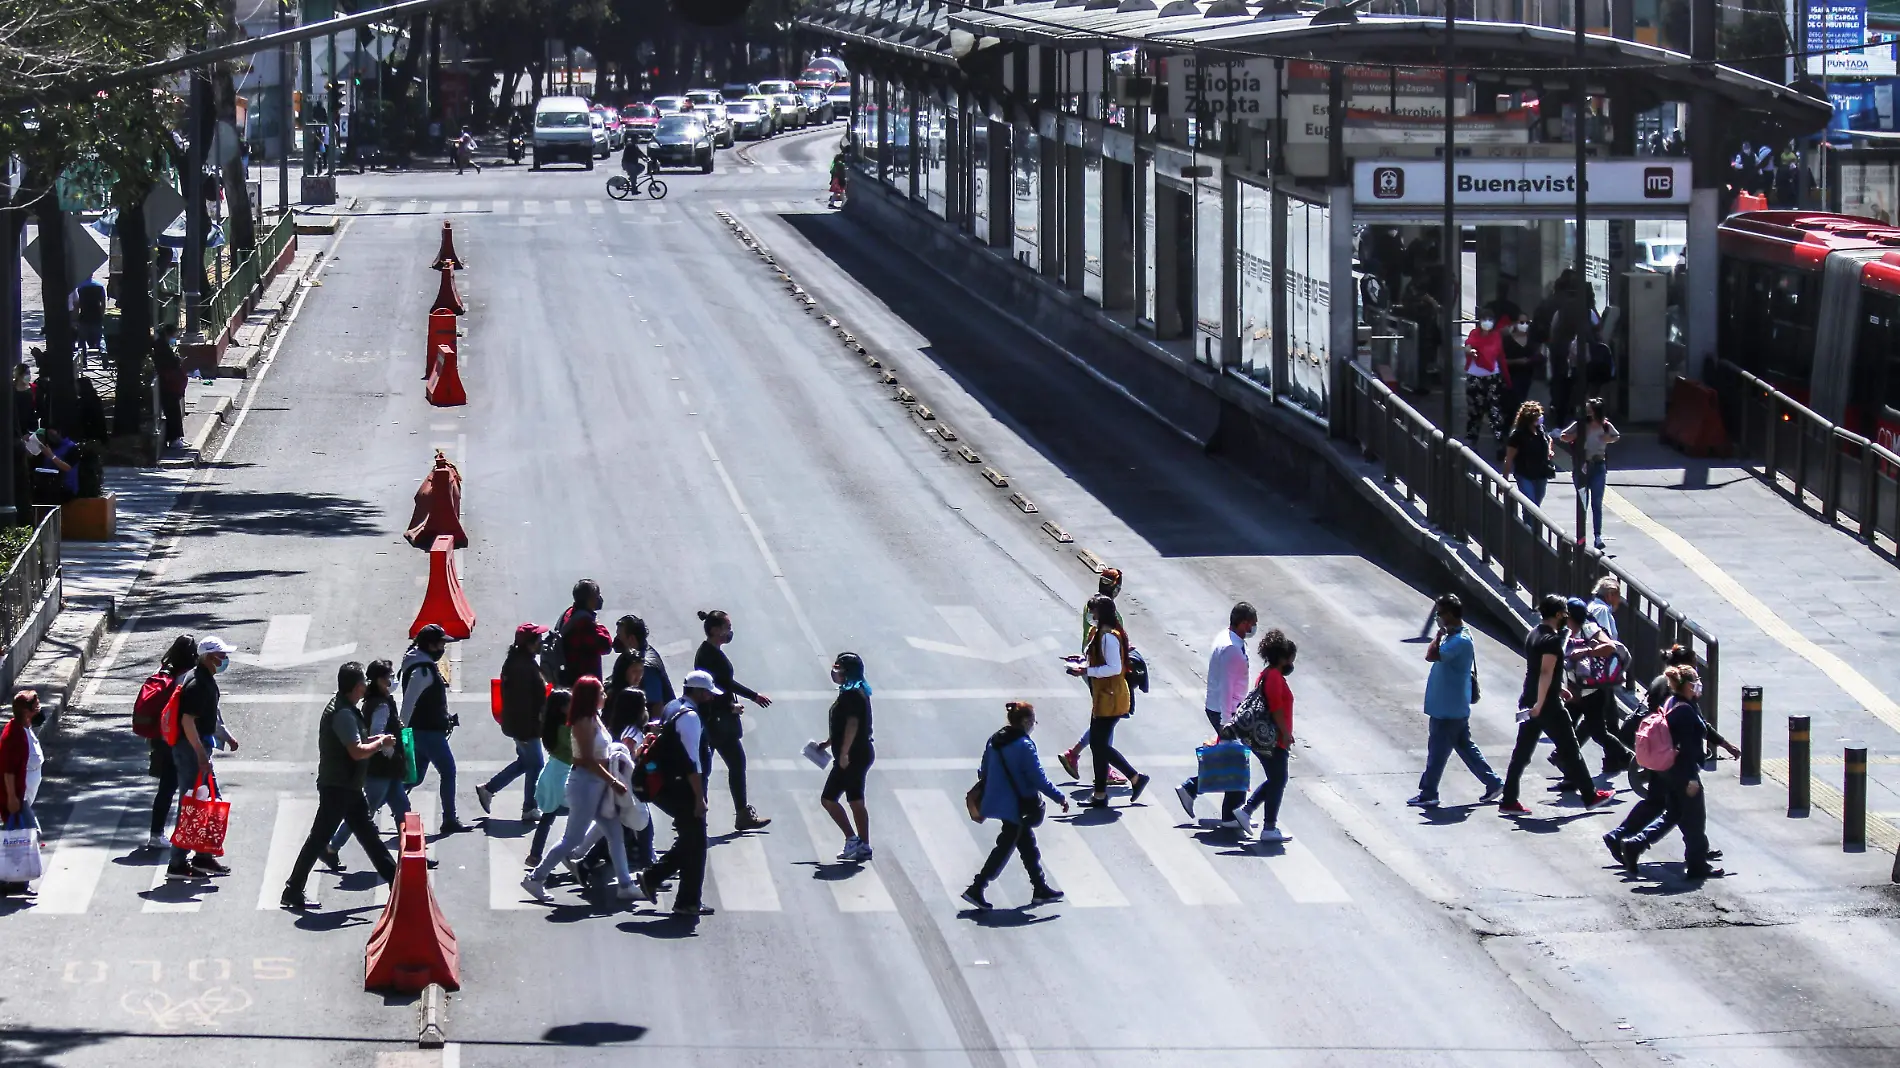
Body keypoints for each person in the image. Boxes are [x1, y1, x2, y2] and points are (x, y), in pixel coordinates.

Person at [282, 663, 400, 910]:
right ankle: (293, 890)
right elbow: (357, 751)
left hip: (348, 785)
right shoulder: (344, 714)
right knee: (319, 839)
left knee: (369, 836)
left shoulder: (346, 709)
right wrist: (379, 745)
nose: (366, 687)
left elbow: (358, 740)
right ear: (357, 687)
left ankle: (396, 883)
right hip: (339, 786)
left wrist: (378, 739)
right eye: (363, 684)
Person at [521, 677, 643, 903]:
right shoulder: (582, 722)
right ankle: (536, 878)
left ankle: (625, 885)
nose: (605, 697)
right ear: (591, 697)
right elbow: (586, 759)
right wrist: (613, 781)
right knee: (572, 838)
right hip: (585, 785)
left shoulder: (594, 718)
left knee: (614, 833)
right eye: (601, 693)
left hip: (596, 784)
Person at [1613, 665, 1736, 880]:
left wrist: (1725, 744)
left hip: (1667, 771)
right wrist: (1690, 779)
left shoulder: (1673, 702)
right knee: (1695, 819)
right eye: (1696, 682)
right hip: (1682, 772)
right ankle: (1697, 866)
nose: (1699, 686)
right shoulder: (1686, 712)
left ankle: (1635, 844)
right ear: (1687, 686)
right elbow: (1688, 749)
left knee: (1674, 813)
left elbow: (1703, 728)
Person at [1498, 595, 1615, 815]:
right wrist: (1542, 703)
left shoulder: (1534, 634)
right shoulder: (1552, 640)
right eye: (1564, 614)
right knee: (1571, 749)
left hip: (1530, 698)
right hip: (1547, 705)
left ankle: (1509, 799)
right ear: (1559, 614)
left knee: (1521, 753)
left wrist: (1555, 690)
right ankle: (1590, 796)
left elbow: (1535, 670)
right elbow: (1545, 671)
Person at [961, 701, 1069, 910]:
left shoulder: (995, 740)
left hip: (1000, 801)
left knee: (1027, 844)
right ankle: (977, 887)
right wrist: (1059, 797)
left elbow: (983, 770)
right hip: (1018, 805)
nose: (1034, 725)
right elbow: (1038, 779)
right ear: (1026, 721)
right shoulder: (1024, 746)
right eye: (1033, 721)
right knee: (1004, 848)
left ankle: (1039, 887)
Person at [636, 669, 719, 918]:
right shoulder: (690, 718)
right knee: (695, 843)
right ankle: (684, 899)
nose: (711, 698)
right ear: (698, 692)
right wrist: (699, 797)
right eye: (708, 693)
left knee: (691, 840)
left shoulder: (674, 706)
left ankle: (658, 881)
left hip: (672, 785)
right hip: (683, 788)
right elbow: (691, 761)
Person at [1409, 595, 1504, 808]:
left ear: (1451, 614)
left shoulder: (1459, 640)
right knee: (1466, 747)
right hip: (1451, 707)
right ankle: (1493, 782)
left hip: (1448, 710)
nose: (1437, 617)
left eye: (1440, 613)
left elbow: (1431, 655)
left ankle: (1428, 793)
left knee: (1437, 753)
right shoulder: (1457, 635)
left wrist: (1438, 634)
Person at [320, 659, 410, 868]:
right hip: (380, 770)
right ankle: (331, 848)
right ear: (379, 680)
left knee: (403, 810)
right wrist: (387, 748)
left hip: (389, 771)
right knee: (362, 815)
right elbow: (375, 734)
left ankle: (411, 853)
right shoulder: (380, 705)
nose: (392, 680)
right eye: (388, 677)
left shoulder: (376, 701)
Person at [1175, 602, 1257, 825]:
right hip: (1226, 711)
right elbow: (1227, 687)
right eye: (1251, 624)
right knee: (1236, 761)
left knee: (1228, 759)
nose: (1253, 628)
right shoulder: (1231, 649)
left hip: (1223, 708)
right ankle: (1230, 814)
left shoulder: (1228, 639)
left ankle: (1193, 790)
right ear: (1242, 623)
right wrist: (1227, 722)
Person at [693, 609, 773, 830]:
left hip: (718, 719)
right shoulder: (708, 655)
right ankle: (730, 813)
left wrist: (753, 696)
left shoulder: (712, 651)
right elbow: (712, 689)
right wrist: (730, 706)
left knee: (709, 766)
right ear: (716, 630)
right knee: (731, 764)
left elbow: (726, 682)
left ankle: (698, 812)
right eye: (727, 628)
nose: (730, 632)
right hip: (717, 720)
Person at [167, 636, 239, 881]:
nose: (225, 659)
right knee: (191, 807)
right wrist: (200, 755)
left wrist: (227, 737)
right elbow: (188, 722)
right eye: (221, 655)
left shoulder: (205, 679)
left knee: (208, 803)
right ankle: (177, 863)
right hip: (191, 751)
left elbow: (211, 718)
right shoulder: (197, 684)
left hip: (198, 749)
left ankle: (203, 856)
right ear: (209, 658)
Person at [1067, 594, 1148, 809]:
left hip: (1112, 696)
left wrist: (1086, 670)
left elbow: (1114, 668)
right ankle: (1101, 793)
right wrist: (1081, 662)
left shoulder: (1109, 636)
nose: (1091, 616)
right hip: (1104, 695)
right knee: (1098, 745)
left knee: (1099, 745)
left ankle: (1134, 777)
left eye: (1093, 612)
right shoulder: (1099, 633)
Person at [477, 624, 549, 822]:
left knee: (525, 763)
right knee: (536, 765)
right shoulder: (522, 668)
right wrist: (529, 731)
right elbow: (524, 703)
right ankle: (529, 808)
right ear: (530, 644)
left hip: (521, 725)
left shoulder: (519, 662)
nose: (541, 642)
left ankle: (489, 789)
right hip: (525, 727)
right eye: (538, 639)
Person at [1059, 568, 1127, 781]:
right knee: (1106, 721)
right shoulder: (1110, 614)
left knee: (1102, 720)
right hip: (1102, 673)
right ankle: (1082, 757)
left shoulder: (1091, 605)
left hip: (1092, 666)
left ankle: (1077, 754)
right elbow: (1113, 653)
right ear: (1116, 588)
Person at [400, 624, 467, 833]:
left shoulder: (418, 661)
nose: (443, 648)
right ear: (430, 645)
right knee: (448, 771)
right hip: (427, 733)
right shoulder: (422, 671)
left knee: (415, 777)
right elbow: (408, 704)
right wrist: (402, 735)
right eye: (440, 644)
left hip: (424, 731)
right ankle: (449, 819)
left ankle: (375, 804)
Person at [817, 652, 875, 862]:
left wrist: (843, 754)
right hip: (857, 753)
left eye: (839, 670)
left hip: (853, 755)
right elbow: (844, 726)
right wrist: (828, 742)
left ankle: (854, 840)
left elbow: (852, 725)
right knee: (854, 799)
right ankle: (863, 844)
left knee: (831, 799)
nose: (835, 673)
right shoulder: (855, 692)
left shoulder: (852, 695)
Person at [141, 635, 197, 849]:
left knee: (165, 787)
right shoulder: (186, 678)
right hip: (176, 739)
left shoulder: (162, 672)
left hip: (158, 738)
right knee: (177, 787)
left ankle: (156, 834)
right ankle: (174, 836)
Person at [1560, 398, 1621, 550]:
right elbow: (1563, 436)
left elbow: (1616, 436)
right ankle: (1581, 535)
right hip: (1582, 465)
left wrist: (1608, 439)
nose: (1587, 412)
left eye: (1590, 409)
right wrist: (1575, 436)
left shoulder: (1605, 425)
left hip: (1599, 465)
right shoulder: (1580, 424)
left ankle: (1598, 536)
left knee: (1597, 502)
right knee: (1582, 502)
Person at [0, 691, 44, 896]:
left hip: (23, 793)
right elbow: (7, 771)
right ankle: (17, 880)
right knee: (28, 833)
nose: (40, 706)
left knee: (19, 836)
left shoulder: (25, 727)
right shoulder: (13, 734)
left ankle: (14, 879)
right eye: (36, 704)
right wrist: (11, 797)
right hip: (17, 795)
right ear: (26, 711)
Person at [524, 688, 573, 870]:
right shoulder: (567, 730)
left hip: (552, 773)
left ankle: (535, 855)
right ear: (562, 708)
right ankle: (569, 853)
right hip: (562, 776)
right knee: (578, 814)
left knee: (548, 817)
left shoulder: (551, 727)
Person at [1463, 311, 1510, 443]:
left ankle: (1500, 442)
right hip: (1474, 378)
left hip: (1492, 378)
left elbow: (1496, 352)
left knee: (1495, 411)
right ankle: (1471, 439)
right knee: (1474, 411)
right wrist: (1470, 351)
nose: (1487, 322)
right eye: (1485, 319)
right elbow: (1468, 345)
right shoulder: (1474, 334)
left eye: (1490, 319)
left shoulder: (1496, 336)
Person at [556, 579, 613, 687]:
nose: (600, 598)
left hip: (570, 677)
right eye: (597, 595)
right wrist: (598, 624)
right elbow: (606, 645)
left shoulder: (569, 614)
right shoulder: (585, 623)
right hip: (584, 683)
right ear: (590, 599)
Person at [1502, 401, 1556, 509]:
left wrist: (1549, 451)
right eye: (1537, 416)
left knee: (1536, 505)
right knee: (1530, 505)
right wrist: (1504, 481)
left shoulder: (1541, 429)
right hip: (1524, 474)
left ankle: (1532, 525)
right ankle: (1528, 525)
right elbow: (1509, 459)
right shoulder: (1517, 435)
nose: (1540, 418)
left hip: (1541, 473)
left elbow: (1549, 439)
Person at [154, 324, 188, 448]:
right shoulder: (161, 346)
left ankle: (176, 437)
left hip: (169, 384)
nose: (175, 337)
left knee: (174, 411)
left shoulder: (162, 344)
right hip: (168, 385)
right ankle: (174, 439)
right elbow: (168, 363)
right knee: (172, 412)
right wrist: (178, 360)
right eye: (174, 335)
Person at [1501, 316, 1537, 425]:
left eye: (1527, 322)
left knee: (1521, 399)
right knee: (1512, 402)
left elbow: (1535, 356)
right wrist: (1517, 361)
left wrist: (1533, 360)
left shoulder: (1531, 340)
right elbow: (1501, 360)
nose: (1524, 325)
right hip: (1511, 376)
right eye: (1521, 322)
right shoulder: (1507, 340)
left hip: (1526, 376)